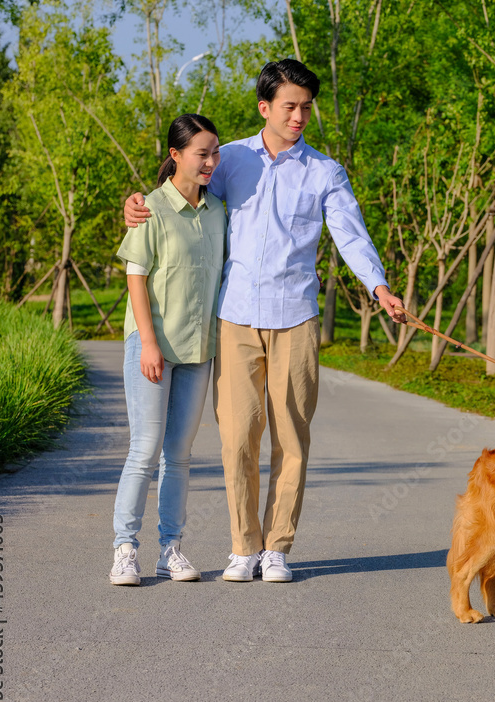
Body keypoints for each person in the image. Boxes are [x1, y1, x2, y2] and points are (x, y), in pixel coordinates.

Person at [124, 59, 405, 583]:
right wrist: (136, 203)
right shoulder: (229, 158)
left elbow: (350, 234)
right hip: (235, 320)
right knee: (236, 439)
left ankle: (277, 548)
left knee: (291, 440)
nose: (299, 116)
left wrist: (379, 286)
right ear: (265, 107)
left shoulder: (324, 171)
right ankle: (242, 546)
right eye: (289, 106)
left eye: (305, 107)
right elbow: (182, 182)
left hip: (296, 317)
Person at [110, 114, 225, 585]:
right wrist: (149, 344)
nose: (211, 162)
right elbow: (135, 279)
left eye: (215, 152)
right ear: (175, 155)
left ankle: (171, 550)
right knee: (145, 449)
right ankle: (124, 549)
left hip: (198, 348)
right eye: (202, 153)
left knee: (179, 453)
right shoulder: (151, 209)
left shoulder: (218, 210)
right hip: (152, 344)